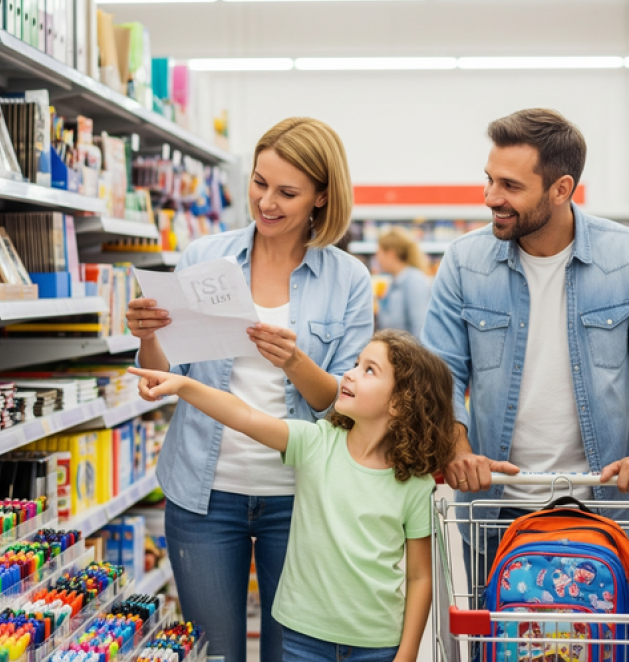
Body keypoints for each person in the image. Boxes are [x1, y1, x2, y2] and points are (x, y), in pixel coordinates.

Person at [125, 117, 373, 662]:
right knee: (215, 654)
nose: (266, 202)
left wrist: (295, 361)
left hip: (302, 497)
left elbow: (345, 405)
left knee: (293, 654)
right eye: (259, 183)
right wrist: (148, 338)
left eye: (287, 192)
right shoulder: (203, 258)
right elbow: (165, 377)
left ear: (321, 197)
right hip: (203, 495)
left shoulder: (348, 279)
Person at [421, 108, 629, 567]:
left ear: (561, 188)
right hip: (495, 507)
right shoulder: (465, 262)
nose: (490, 197)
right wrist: (457, 448)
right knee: (498, 640)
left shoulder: (627, 258)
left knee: (604, 640)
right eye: (489, 180)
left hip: (601, 503)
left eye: (510, 186)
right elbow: (439, 373)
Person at [127, 329, 455, 662]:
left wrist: (409, 652)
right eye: (356, 364)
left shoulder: (414, 483)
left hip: (377, 644)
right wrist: (184, 385)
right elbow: (245, 416)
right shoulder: (316, 444)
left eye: (369, 370)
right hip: (302, 640)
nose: (350, 374)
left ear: (401, 403)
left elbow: (420, 576)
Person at [375, 228, 432, 340]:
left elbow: (420, 329)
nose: (377, 258)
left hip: (409, 355)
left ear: (390, 253)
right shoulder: (394, 282)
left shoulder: (415, 281)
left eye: (379, 252)